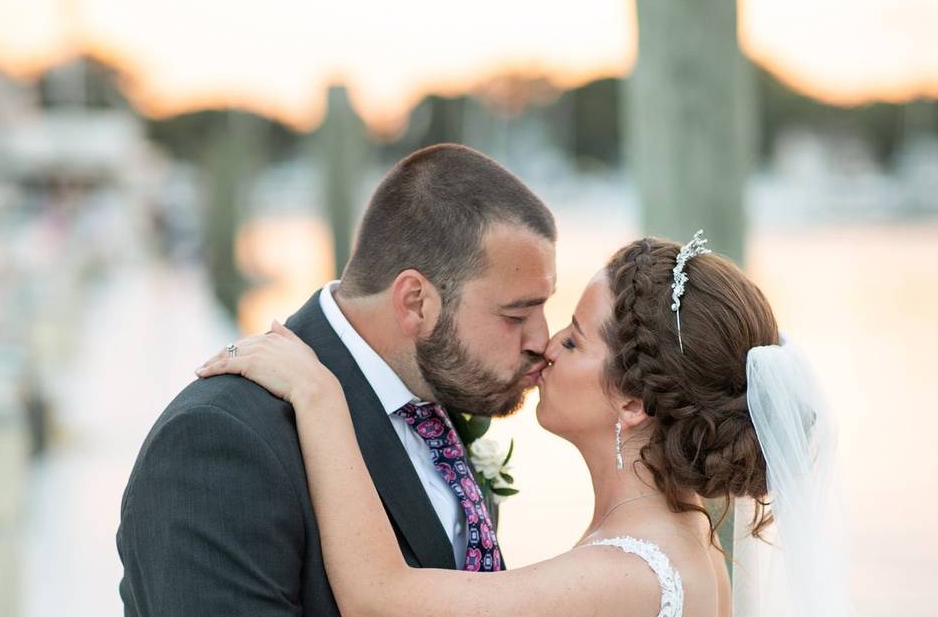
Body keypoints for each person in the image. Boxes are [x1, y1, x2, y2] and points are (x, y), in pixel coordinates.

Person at [197, 231, 837, 616]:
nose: (547, 345)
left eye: (578, 341)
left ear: (634, 403)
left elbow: (379, 599)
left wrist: (318, 394)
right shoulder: (687, 542)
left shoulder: (632, 571)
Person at [116, 144, 557, 615]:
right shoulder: (219, 440)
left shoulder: (438, 399)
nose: (543, 339)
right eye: (517, 314)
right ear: (415, 302)